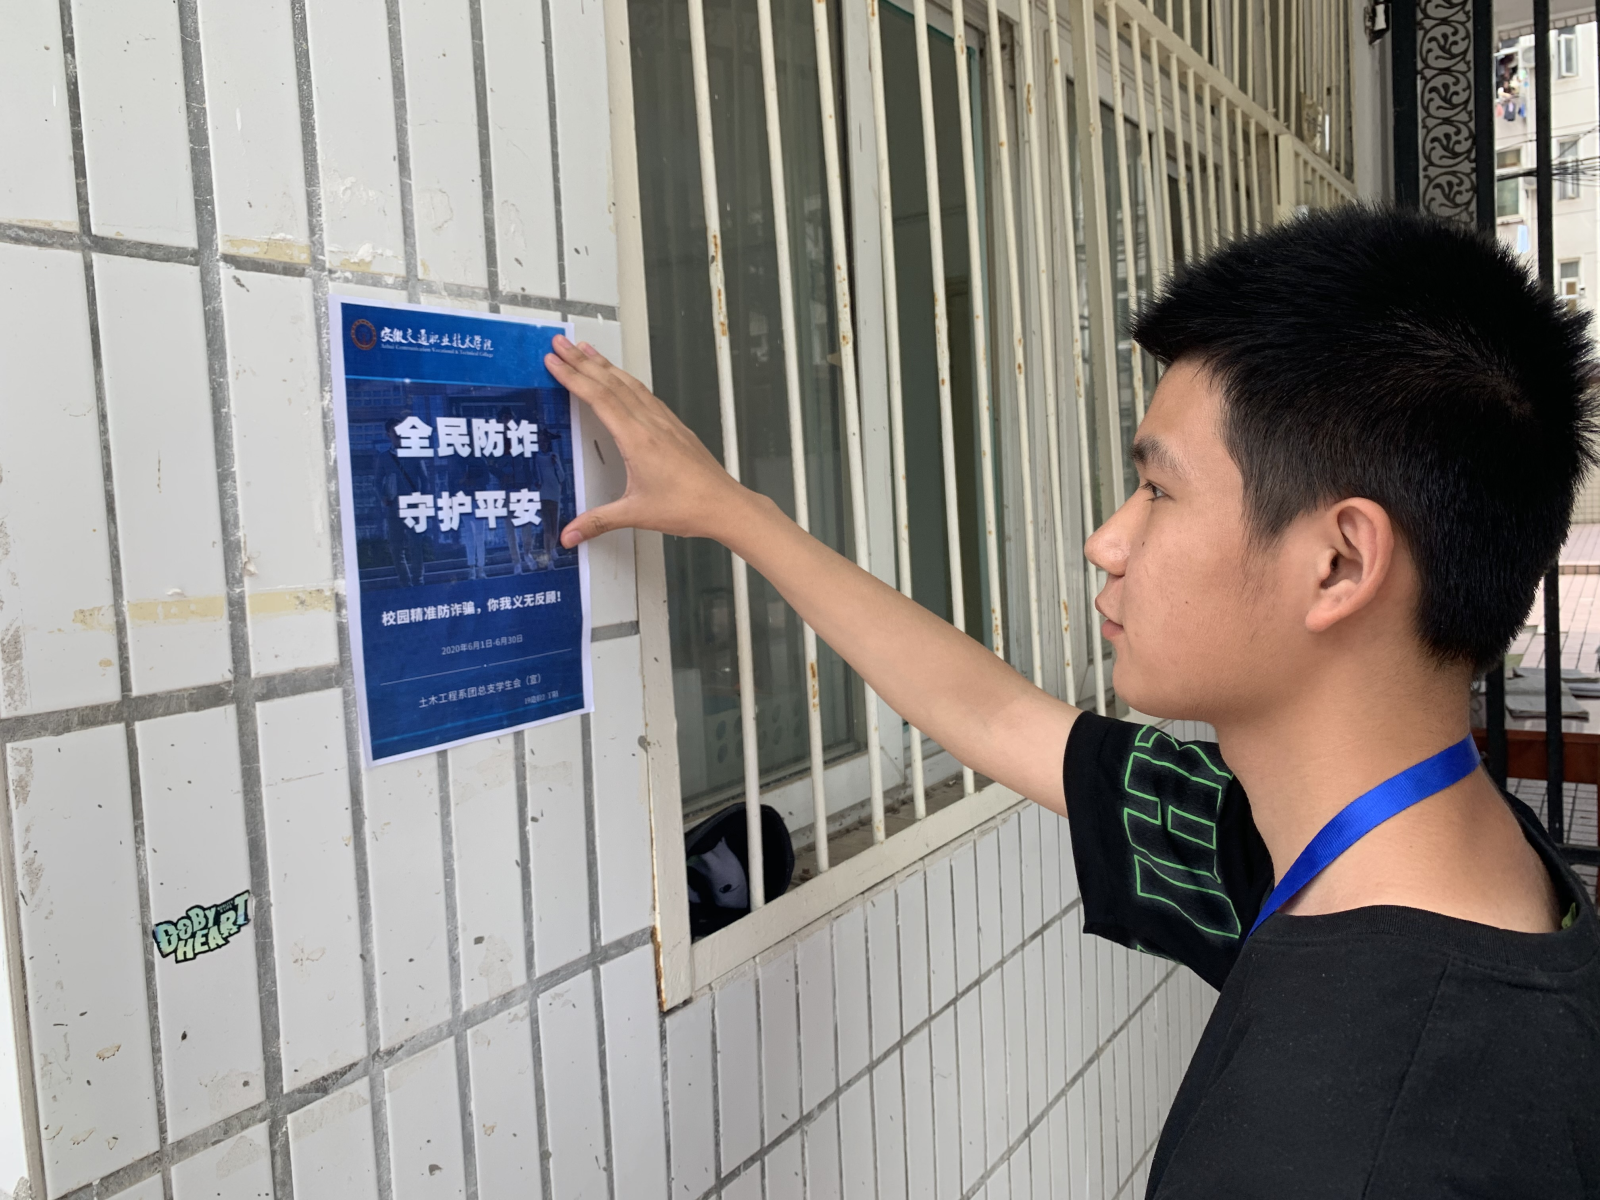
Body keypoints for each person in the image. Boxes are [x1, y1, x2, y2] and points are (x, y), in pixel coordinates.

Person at [544, 207, 1600, 1196]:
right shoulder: (1380, 850)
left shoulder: (1343, 1144)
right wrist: (737, 514)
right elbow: (1000, 718)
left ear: (1338, 563)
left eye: (1157, 489)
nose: (1107, 540)